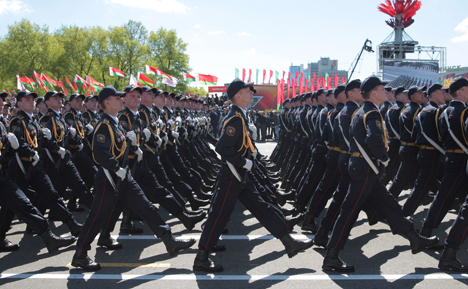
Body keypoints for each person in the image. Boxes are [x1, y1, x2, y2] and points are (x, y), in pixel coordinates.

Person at [193, 78, 313, 273]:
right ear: (237, 96)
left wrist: (251, 153)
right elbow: (222, 147)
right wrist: (243, 161)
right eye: (248, 91)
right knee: (218, 215)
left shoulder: (240, 116)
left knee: (263, 208)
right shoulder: (234, 118)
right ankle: (201, 258)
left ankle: (288, 242)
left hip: (241, 175)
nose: (252, 93)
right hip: (232, 174)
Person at [71, 85, 196, 272]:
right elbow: (100, 153)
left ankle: (168, 240)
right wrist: (116, 168)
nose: (121, 100)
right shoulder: (104, 125)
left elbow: (118, 148)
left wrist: (133, 146)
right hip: (109, 178)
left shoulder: (114, 122)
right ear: (106, 102)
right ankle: (80, 254)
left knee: (145, 206)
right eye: (117, 98)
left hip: (123, 175)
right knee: (96, 217)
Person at [322, 76, 439, 273]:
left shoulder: (362, 111)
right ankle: (331, 257)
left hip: (361, 166)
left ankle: (414, 238)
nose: (386, 92)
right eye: (382, 89)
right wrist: (384, 159)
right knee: (349, 211)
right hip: (365, 167)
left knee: (390, 204)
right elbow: (374, 140)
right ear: (374, 93)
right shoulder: (372, 113)